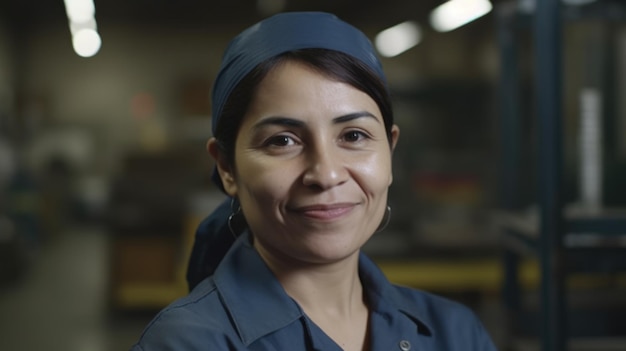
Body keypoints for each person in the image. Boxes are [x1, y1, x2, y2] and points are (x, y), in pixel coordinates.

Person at [131, 11, 498, 351]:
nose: (326, 174)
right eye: (283, 141)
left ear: (390, 151)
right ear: (227, 167)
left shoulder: (454, 333)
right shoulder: (189, 342)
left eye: (353, 136)